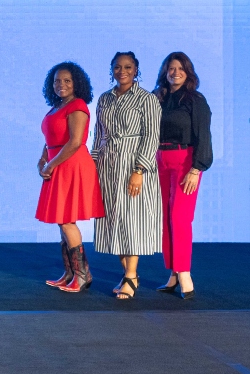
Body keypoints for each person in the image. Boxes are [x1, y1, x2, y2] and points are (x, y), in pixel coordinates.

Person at [91, 52, 163, 300]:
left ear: (136, 70)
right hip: (108, 166)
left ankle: (131, 275)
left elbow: (152, 137)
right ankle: (127, 274)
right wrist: (93, 166)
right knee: (115, 221)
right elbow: (98, 136)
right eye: (118, 67)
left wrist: (139, 170)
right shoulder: (104, 99)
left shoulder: (147, 100)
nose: (122, 71)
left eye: (128, 67)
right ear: (111, 69)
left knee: (133, 221)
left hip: (134, 165)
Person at [37, 62, 104, 292]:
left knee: (67, 220)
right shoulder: (57, 106)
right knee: (61, 220)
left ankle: (82, 275)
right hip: (57, 163)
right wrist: (42, 159)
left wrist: (52, 165)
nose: (61, 84)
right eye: (57, 81)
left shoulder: (77, 105)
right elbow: (51, 139)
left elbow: (75, 141)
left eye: (67, 80)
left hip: (71, 164)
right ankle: (69, 273)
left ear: (76, 83)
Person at [152, 52, 212, 300]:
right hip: (160, 161)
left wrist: (196, 168)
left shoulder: (195, 100)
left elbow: (204, 137)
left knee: (180, 217)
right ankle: (173, 273)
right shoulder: (158, 99)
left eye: (180, 68)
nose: (174, 72)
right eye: (170, 68)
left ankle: (185, 272)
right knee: (165, 218)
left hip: (185, 161)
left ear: (188, 72)